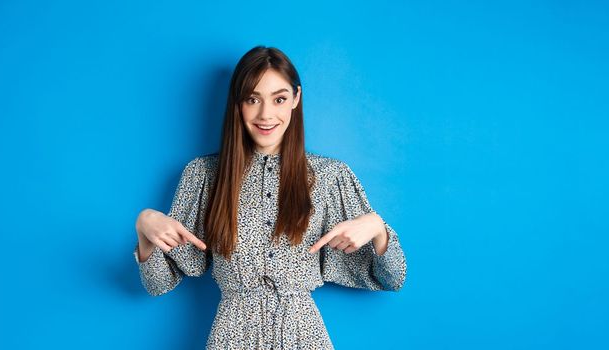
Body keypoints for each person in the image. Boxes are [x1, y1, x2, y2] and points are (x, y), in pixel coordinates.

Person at [134, 45, 407, 349]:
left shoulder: (331, 177)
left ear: (296, 99)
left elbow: (393, 278)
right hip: (231, 338)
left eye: (279, 99)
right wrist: (144, 227)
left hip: (304, 338)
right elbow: (157, 284)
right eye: (253, 99)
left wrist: (378, 229)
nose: (266, 114)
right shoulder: (203, 175)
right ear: (238, 104)